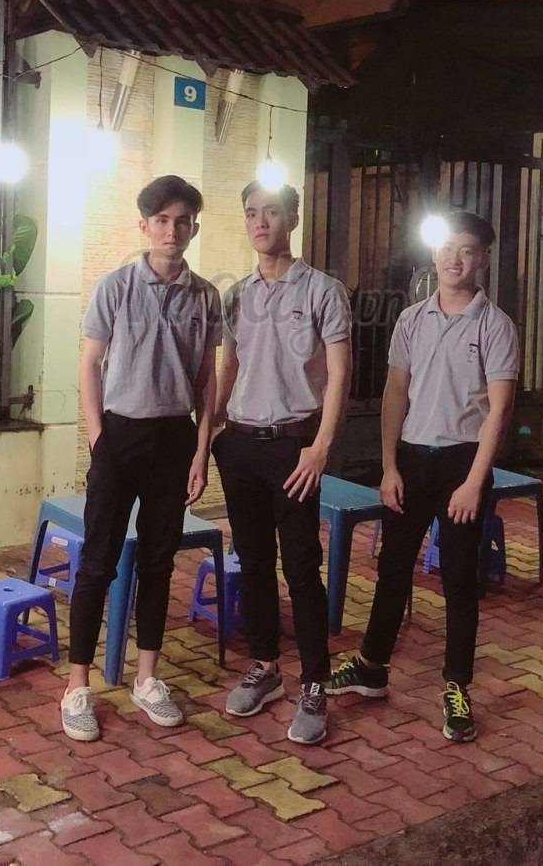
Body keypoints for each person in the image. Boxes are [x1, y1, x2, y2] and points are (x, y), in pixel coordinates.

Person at [325, 211, 517, 742]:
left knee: (458, 580)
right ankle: (371, 667)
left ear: (483, 259)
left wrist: (474, 482)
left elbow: (500, 410)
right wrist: (388, 466)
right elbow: (395, 393)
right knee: (393, 568)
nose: (455, 259)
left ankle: (456, 685)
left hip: (462, 463)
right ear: (434, 252)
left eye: (467, 250)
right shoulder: (411, 319)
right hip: (410, 459)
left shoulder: (495, 326)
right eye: (447, 247)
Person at [61, 175, 222, 742]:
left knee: (158, 561)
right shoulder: (115, 286)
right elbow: (90, 364)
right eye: (161, 220)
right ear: (144, 225)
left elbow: (206, 377)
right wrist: (98, 436)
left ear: (194, 227)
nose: (171, 231)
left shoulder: (205, 295)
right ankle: (77, 686)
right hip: (120, 435)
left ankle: (148, 678)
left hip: (175, 439)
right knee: (97, 562)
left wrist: (201, 449)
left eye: (182, 221)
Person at [213, 181, 351, 745]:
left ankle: (314, 683)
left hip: (295, 446)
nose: (260, 222)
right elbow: (228, 368)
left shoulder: (323, 290)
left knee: (300, 565)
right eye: (251, 213)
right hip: (240, 444)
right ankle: (266, 665)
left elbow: (339, 374)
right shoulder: (236, 296)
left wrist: (320, 447)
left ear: (293, 218)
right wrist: (209, 434)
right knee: (252, 561)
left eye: (271, 212)